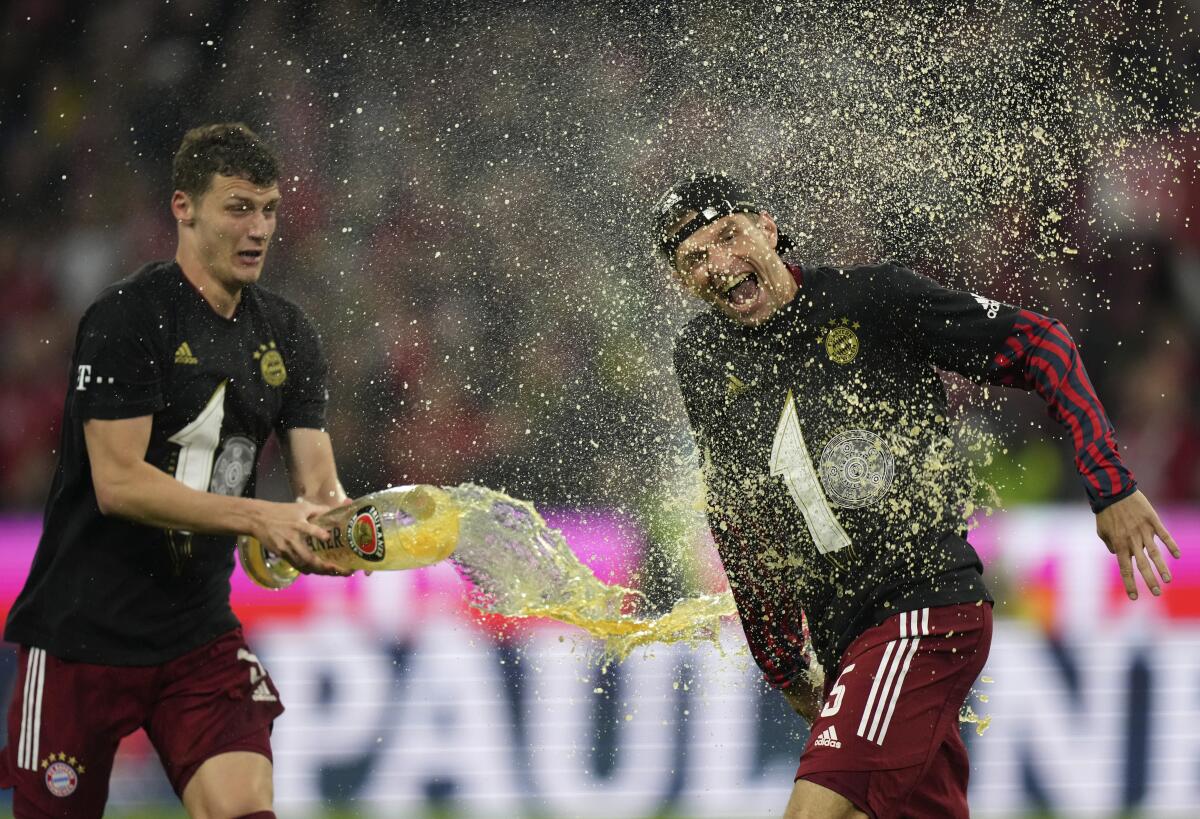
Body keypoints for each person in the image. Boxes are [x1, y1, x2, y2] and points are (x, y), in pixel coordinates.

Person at [653, 173, 1182, 819]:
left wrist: (1111, 485)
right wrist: (782, 661)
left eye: (728, 236)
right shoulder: (702, 356)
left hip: (922, 609)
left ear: (766, 228)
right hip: (845, 634)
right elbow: (737, 512)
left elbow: (1042, 343)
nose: (719, 264)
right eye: (695, 259)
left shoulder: (871, 298)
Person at [0, 123, 351, 819]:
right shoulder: (128, 317)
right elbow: (119, 482)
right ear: (183, 207)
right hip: (80, 637)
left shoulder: (288, 333)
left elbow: (319, 485)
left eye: (270, 209)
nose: (259, 229)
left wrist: (350, 529)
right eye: (239, 207)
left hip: (197, 637)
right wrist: (260, 515)